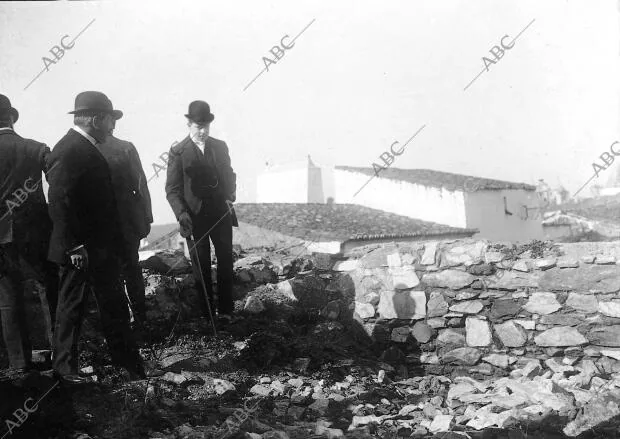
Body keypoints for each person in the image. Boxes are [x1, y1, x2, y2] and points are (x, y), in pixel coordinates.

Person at [47, 91, 145, 384]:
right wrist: (73, 245)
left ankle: (128, 365)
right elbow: (59, 201)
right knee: (71, 309)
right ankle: (64, 371)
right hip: (80, 251)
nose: (113, 128)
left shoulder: (85, 147)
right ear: (95, 119)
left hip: (100, 249)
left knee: (114, 305)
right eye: (110, 121)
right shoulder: (69, 149)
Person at [0, 94, 58, 377]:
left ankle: (19, 363)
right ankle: (60, 356)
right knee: (48, 290)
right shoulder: (36, 148)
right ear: (11, 117)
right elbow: (60, 187)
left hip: (1, 236)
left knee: (8, 297)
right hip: (37, 231)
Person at [165, 100, 238, 321]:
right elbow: (172, 189)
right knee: (201, 264)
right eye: (198, 126)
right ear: (188, 124)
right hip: (195, 217)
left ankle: (226, 311)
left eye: (206, 126)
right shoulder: (178, 151)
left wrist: (230, 195)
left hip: (220, 214)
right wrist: (182, 213)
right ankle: (207, 316)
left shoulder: (220, 146)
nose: (203, 131)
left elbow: (229, 175)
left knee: (226, 260)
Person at [97, 119, 152, 326]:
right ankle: (140, 318)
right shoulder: (126, 148)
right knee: (131, 269)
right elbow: (141, 186)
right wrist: (146, 217)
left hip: (104, 226)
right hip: (127, 223)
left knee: (111, 274)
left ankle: (119, 322)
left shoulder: (88, 149)